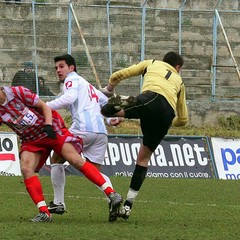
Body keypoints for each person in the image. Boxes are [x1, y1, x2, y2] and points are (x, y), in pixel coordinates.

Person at [0, 85, 122, 223]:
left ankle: (111, 193)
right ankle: (44, 212)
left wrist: (48, 125)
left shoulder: (18, 92)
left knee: (75, 159)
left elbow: (45, 107)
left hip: (51, 129)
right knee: (26, 168)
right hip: (31, 140)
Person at [100, 51, 188, 220]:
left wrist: (110, 86)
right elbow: (183, 119)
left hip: (150, 98)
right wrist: (169, 122)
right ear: (178, 67)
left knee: (107, 107)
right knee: (143, 160)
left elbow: (122, 73)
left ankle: (114, 112)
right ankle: (127, 206)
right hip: (166, 115)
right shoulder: (180, 82)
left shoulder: (152, 63)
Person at [46, 54, 122, 222]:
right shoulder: (88, 86)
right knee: (94, 172)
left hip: (83, 129)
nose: (58, 70)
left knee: (56, 157)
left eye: (61, 66)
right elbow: (104, 104)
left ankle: (58, 203)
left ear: (71, 68)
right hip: (100, 133)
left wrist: (43, 105)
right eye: (56, 68)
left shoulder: (71, 80)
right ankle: (114, 198)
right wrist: (111, 119)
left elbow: (69, 99)